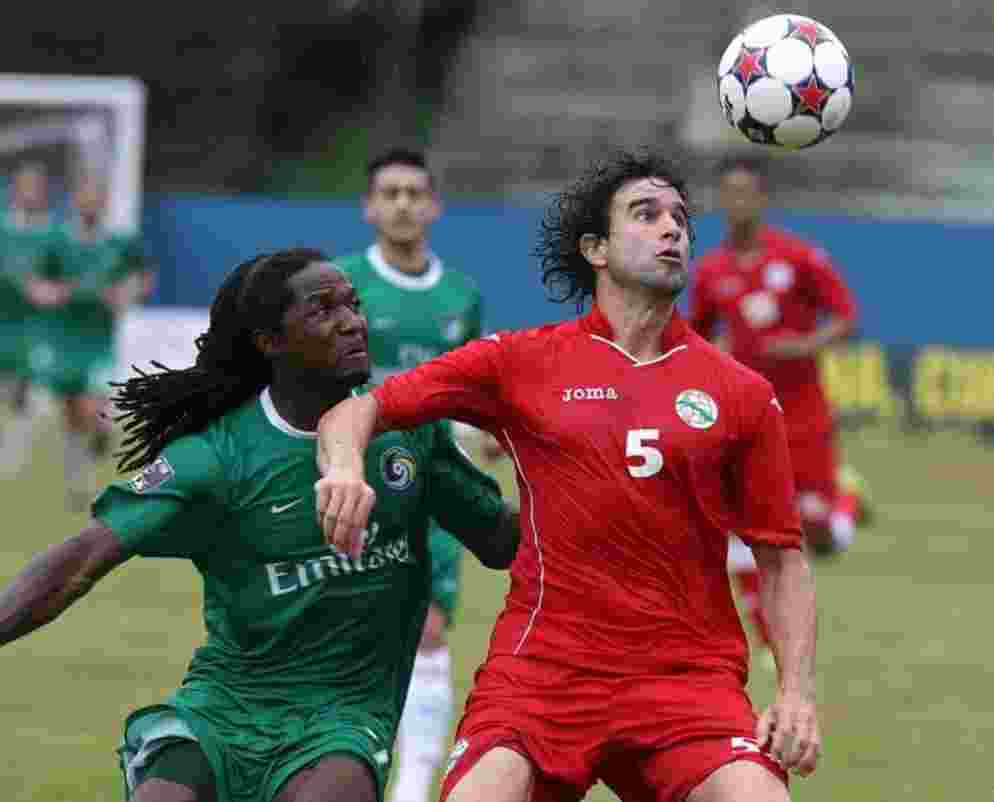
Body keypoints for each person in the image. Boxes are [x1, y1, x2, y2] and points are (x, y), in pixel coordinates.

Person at [316, 151, 821, 802]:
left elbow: (782, 561)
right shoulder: (523, 362)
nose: (673, 229)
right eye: (646, 214)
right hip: (543, 672)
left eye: (681, 218)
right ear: (596, 248)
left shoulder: (742, 393)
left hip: (688, 680)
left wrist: (796, 693)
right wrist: (347, 468)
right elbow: (359, 410)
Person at [0, 248, 520, 802]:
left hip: (342, 719)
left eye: (354, 304)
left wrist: (556, 451)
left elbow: (500, 540)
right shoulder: (217, 457)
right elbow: (81, 561)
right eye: (323, 311)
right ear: (269, 341)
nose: (353, 322)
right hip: (224, 709)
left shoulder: (408, 435)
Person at [333, 148, 484, 802]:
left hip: (430, 488)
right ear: (369, 206)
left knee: (426, 627)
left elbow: (472, 394)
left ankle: (414, 787)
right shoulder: (336, 285)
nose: (401, 204)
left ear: (433, 206)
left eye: (413, 193)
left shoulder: (461, 297)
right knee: (338, 631)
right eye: (388, 192)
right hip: (344, 483)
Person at [688, 157, 860, 652]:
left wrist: (803, 345)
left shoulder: (800, 258)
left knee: (820, 536)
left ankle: (846, 500)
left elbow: (846, 317)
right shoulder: (712, 271)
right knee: (742, 526)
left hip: (803, 412)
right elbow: (697, 337)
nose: (736, 202)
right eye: (728, 193)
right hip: (745, 417)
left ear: (762, 198)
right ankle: (767, 638)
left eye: (746, 192)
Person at [27, 172, 153, 510]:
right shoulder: (57, 240)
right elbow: (36, 281)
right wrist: (49, 293)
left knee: (91, 405)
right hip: (63, 337)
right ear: (75, 202)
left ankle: (101, 432)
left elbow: (143, 279)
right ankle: (76, 481)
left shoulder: (119, 243)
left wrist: (126, 293)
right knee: (69, 411)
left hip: (99, 340)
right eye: (84, 197)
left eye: (95, 198)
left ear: (104, 203)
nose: (89, 204)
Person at [0, 163, 59, 476]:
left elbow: (62, 275)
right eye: (24, 187)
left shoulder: (53, 232)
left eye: (36, 188)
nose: (30, 194)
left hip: (31, 326)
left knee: (23, 391)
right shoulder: (3, 226)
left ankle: (11, 458)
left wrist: (52, 290)